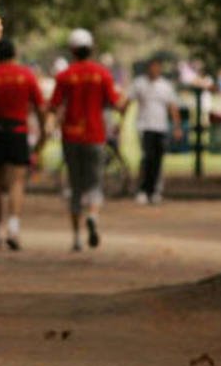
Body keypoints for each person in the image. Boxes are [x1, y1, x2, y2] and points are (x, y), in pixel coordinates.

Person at [47, 29, 124, 252]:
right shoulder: (102, 74)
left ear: (72, 50)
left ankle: (76, 238)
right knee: (94, 183)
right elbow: (115, 103)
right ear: (91, 48)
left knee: (75, 185)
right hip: (95, 135)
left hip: (71, 135)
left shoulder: (64, 76)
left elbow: (54, 105)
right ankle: (92, 215)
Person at [0, 38, 45, 251]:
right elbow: (40, 107)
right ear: (14, 55)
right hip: (18, 131)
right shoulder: (26, 76)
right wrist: (43, 132)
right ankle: (14, 228)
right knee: (17, 181)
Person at [130, 57, 182, 205]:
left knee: (158, 160)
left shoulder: (165, 86)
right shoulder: (139, 84)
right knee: (148, 158)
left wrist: (177, 127)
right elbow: (128, 101)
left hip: (161, 127)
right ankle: (143, 189)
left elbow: (173, 107)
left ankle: (155, 190)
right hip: (145, 127)